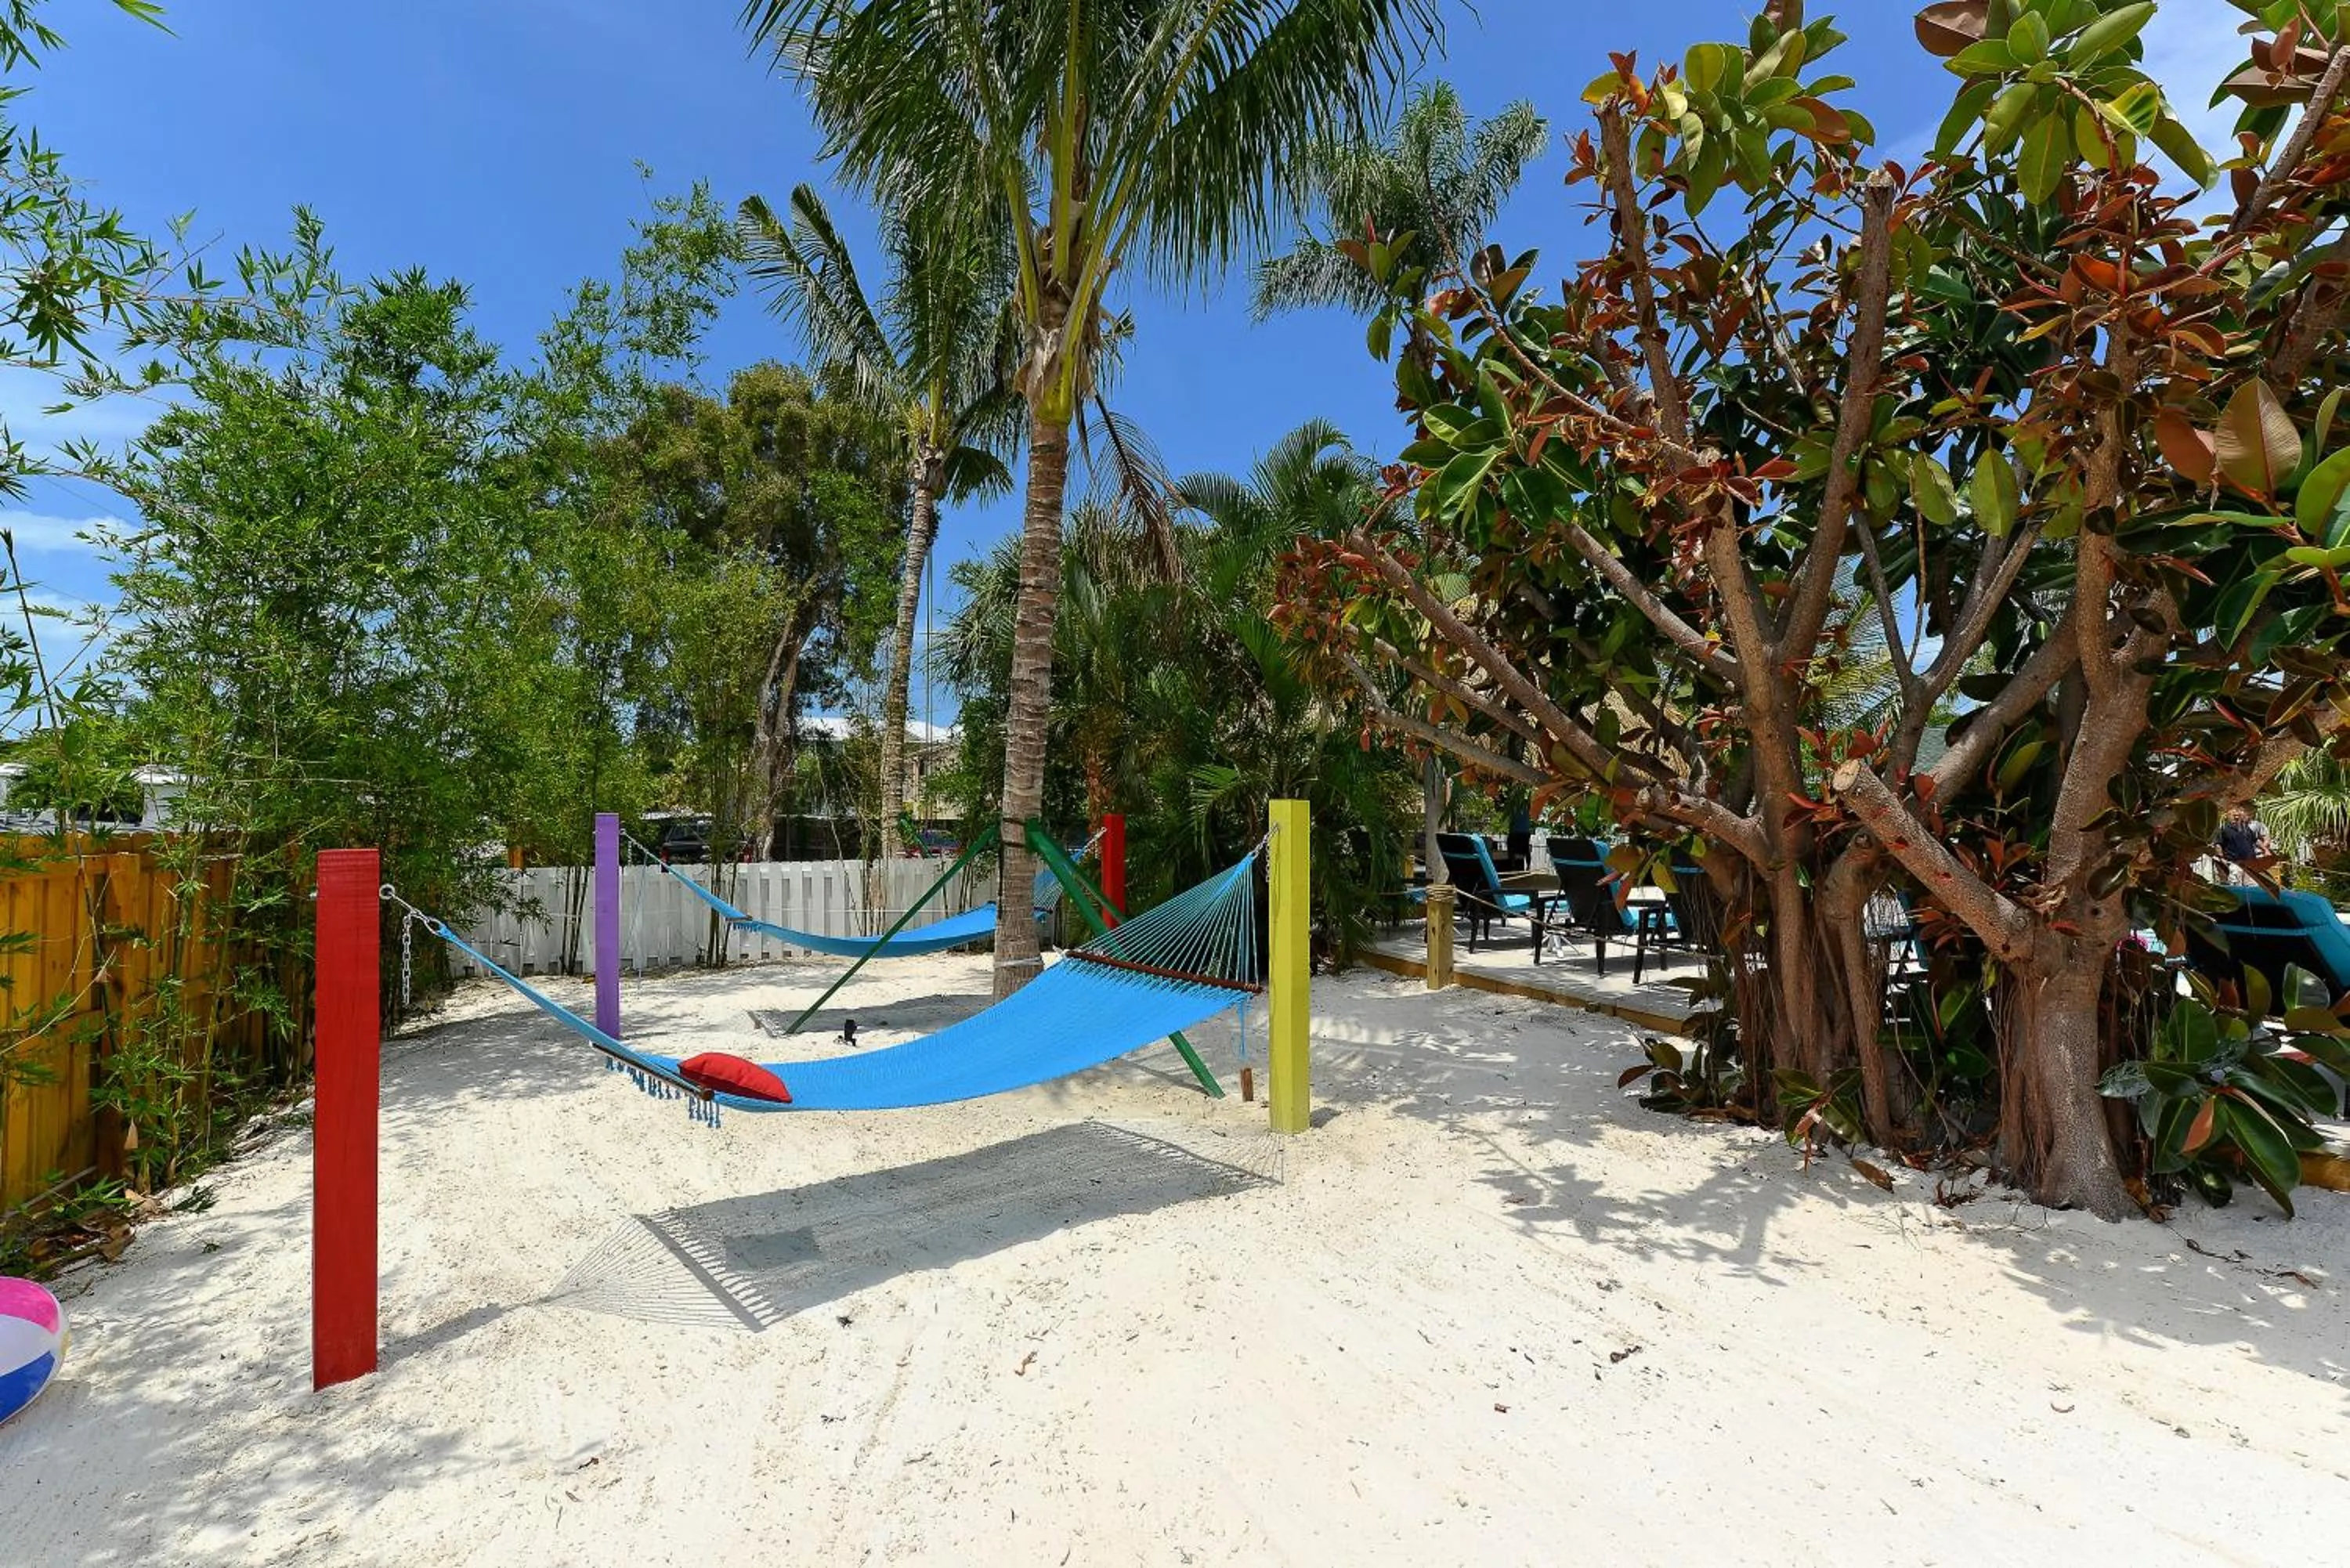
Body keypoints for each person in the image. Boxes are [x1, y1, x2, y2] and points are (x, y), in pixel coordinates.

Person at [2216, 804, 2272, 884]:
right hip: (2235, 864)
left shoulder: (2246, 828)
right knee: (2237, 886)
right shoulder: (2224, 829)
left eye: (2238, 815)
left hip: (2250, 864)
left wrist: (2266, 850)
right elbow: (2218, 844)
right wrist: (2222, 859)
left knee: (2253, 886)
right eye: (2233, 815)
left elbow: (2255, 840)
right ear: (2227, 816)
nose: (2236, 817)